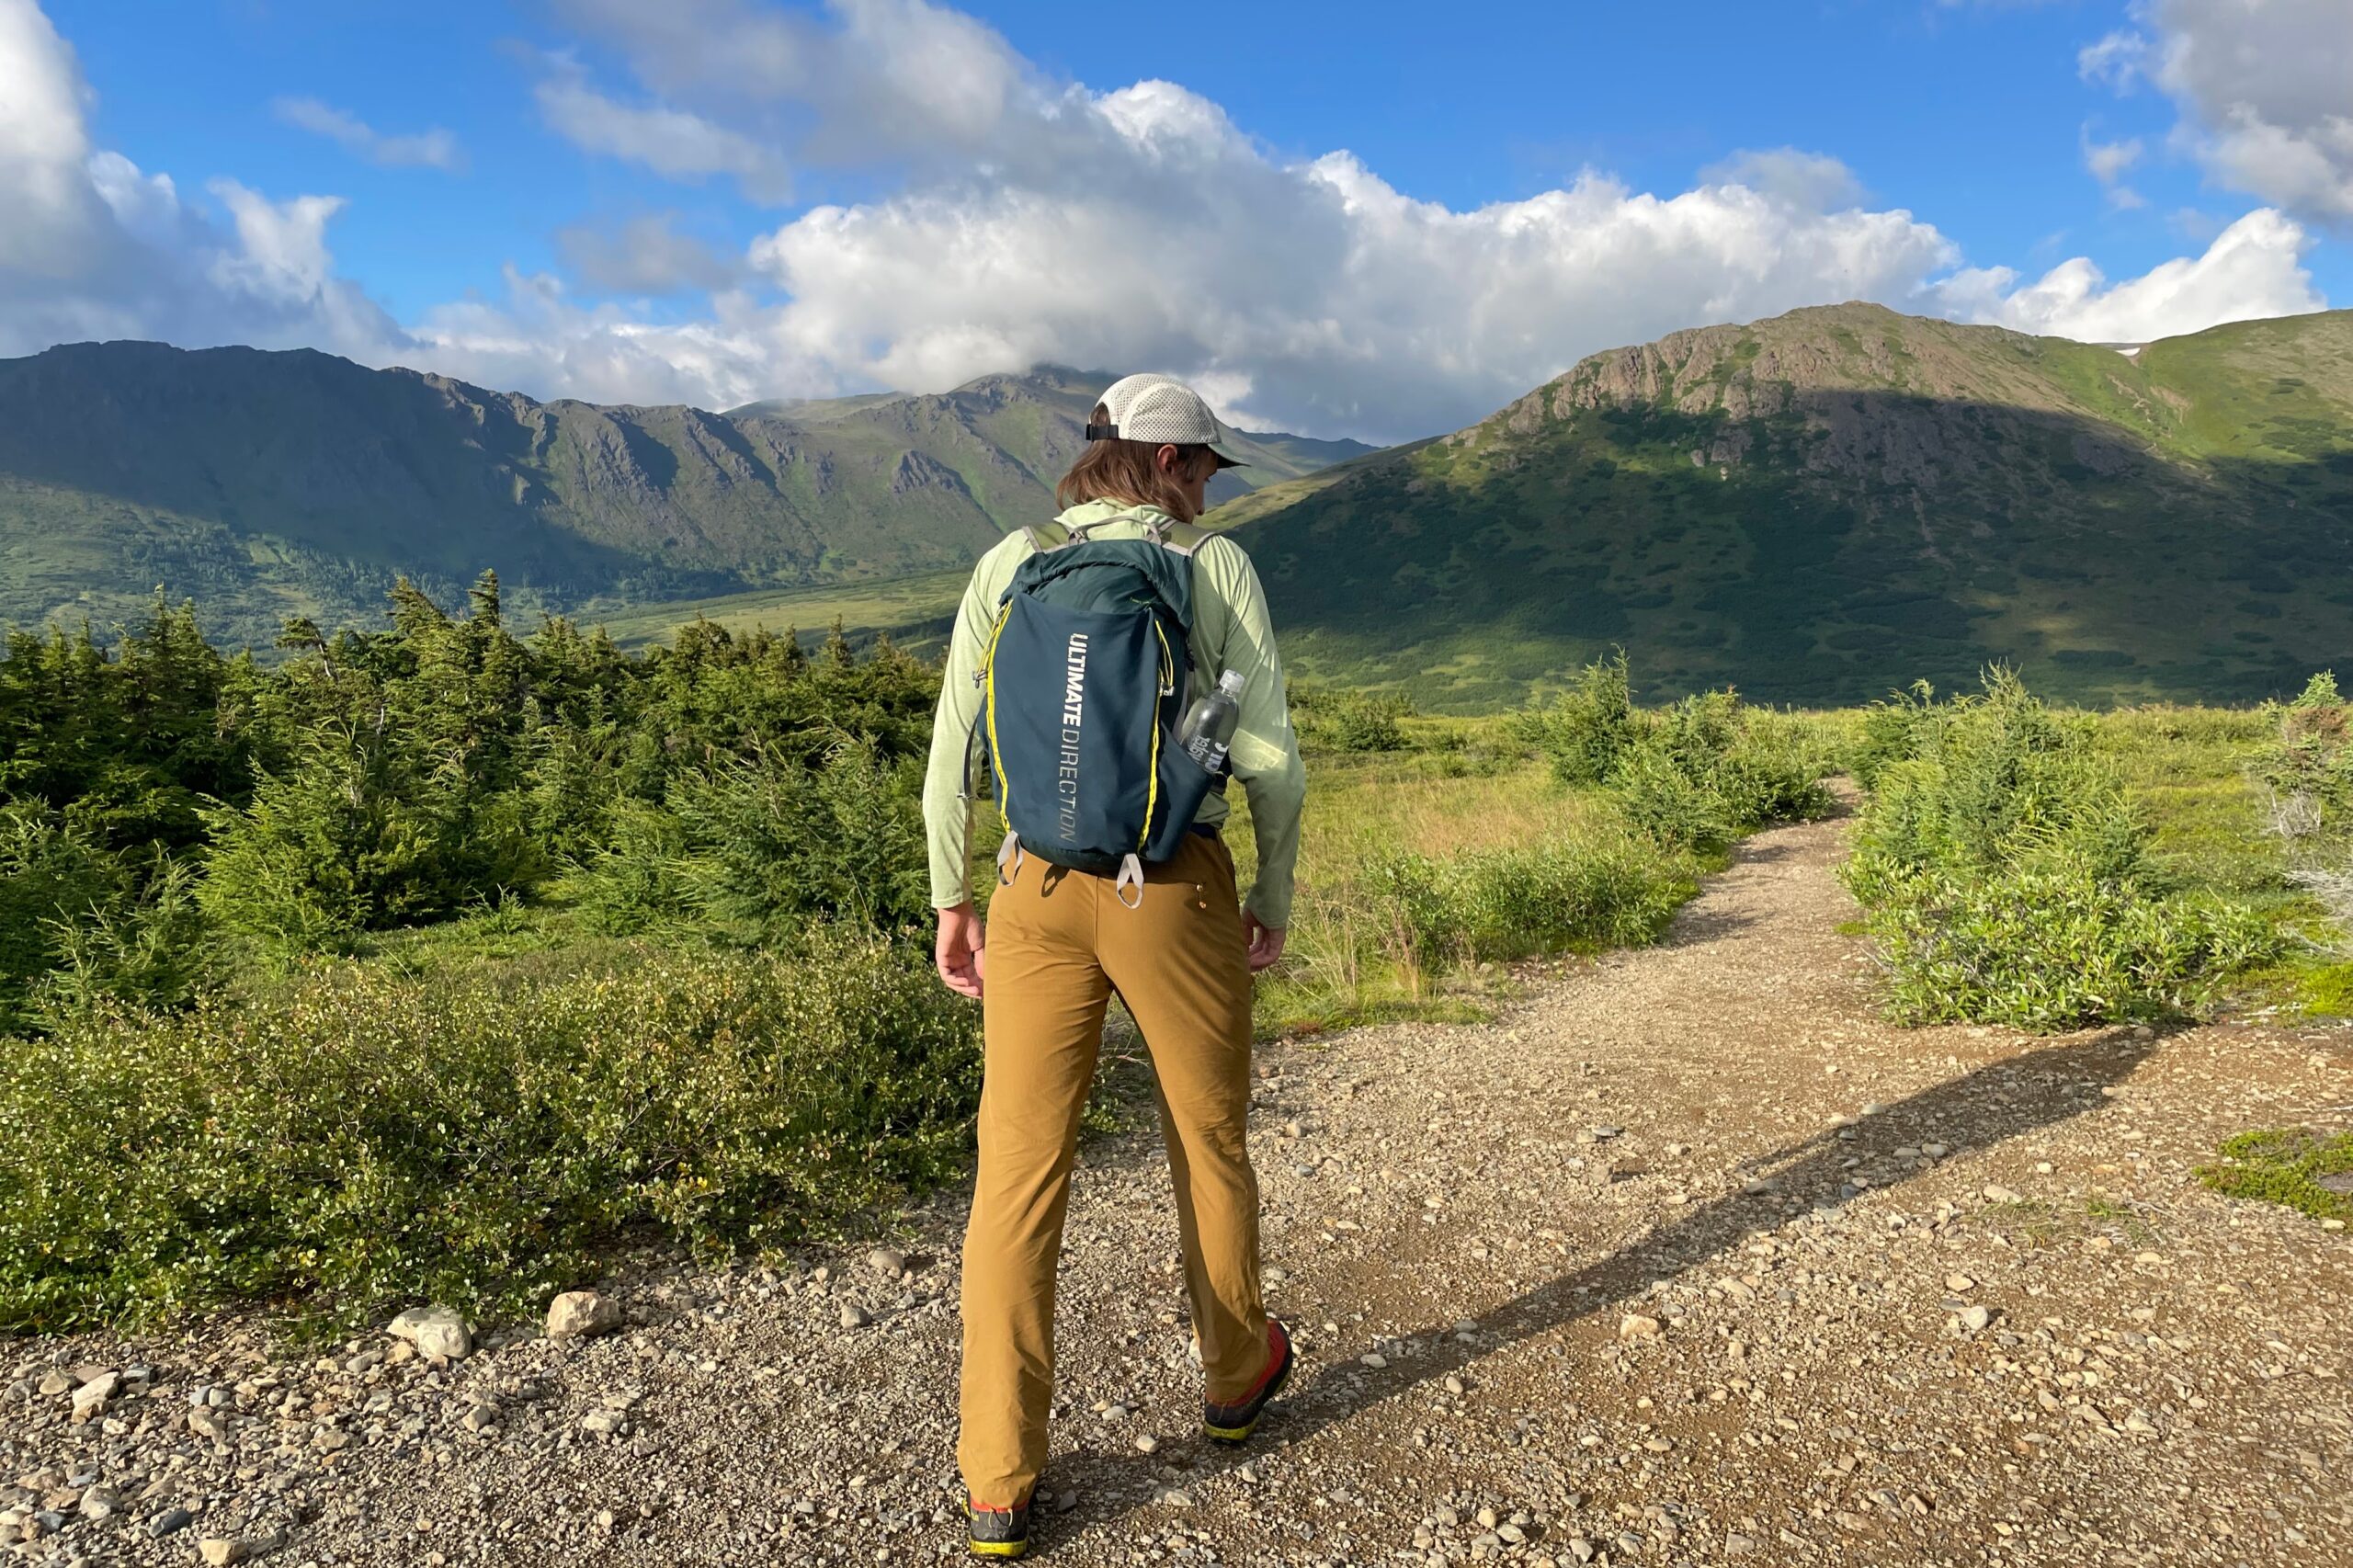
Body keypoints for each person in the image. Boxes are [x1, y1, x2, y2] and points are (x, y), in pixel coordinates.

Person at [922, 373, 1308, 1559]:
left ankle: (998, 1475)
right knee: (1207, 1135)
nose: (1205, 490)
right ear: (1174, 463)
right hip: (1171, 885)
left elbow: (956, 743)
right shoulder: (1211, 569)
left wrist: (952, 895)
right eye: (1204, 469)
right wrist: (1273, 895)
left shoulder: (1012, 558)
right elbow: (1269, 754)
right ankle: (1236, 1374)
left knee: (1019, 1173)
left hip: (1032, 892)